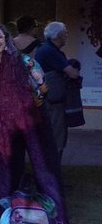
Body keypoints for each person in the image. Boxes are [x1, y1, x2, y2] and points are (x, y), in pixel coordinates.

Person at [0, 23, 69, 224]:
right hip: (4, 127)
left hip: (32, 123)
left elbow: (43, 86)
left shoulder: (22, 61)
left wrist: (29, 103)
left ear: (6, 39)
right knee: (6, 174)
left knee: (44, 171)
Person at [33, 21, 79, 157]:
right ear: (57, 35)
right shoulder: (51, 51)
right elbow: (73, 74)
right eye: (65, 33)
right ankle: (52, 171)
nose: (67, 35)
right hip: (52, 102)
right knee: (56, 136)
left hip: (47, 99)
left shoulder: (47, 49)